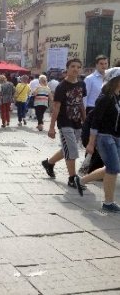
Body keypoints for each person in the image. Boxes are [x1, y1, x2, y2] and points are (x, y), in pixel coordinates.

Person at [42, 58, 86, 196]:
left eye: (78, 67)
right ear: (67, 68)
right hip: (64, 122)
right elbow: (56, 107)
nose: (76, 69)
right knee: (72, 149)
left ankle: (49, 163)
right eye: (73, 66)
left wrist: (85, 121)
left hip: (77, 121)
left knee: (67, 148)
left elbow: (80, 104)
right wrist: (51, 127)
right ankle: (72, 178)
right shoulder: (62, 86)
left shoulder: (82, 84)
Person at [78, 67, 120, 212]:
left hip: (116, 137)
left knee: (112, 167)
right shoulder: (105, 98)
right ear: (115, 80)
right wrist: (91, 142)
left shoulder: (117, 97)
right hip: (104, 137)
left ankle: (82, 180)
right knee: (113, 168)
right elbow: (95, 122)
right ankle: (108, 202)